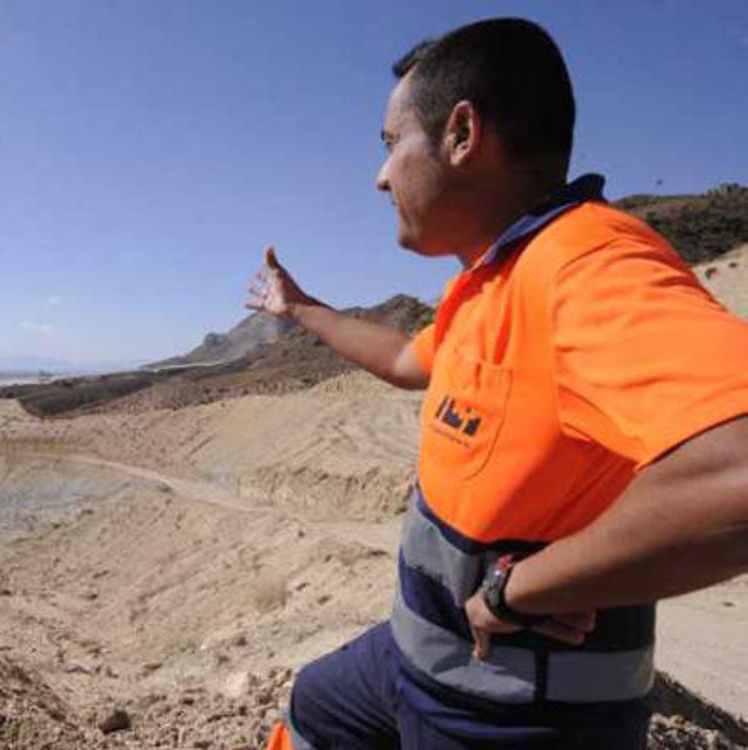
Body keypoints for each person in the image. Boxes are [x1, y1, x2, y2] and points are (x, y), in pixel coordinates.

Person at [246, 17, 748, 750]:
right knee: (314, 710)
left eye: (391, 146)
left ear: (460, 134)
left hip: (510, 716)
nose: (380, 176)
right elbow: (406, 362)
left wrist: (524, 591)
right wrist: (300, 309)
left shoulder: (584, 263)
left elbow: (737, 469)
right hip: (418, 664)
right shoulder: (491, 279)